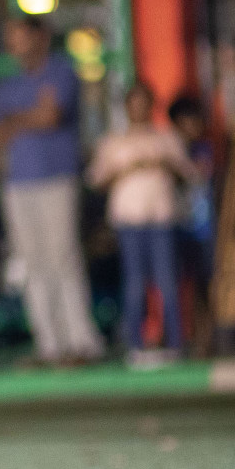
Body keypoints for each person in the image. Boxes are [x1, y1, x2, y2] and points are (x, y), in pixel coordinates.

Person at [0, 14, 104, 365]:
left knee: (63, 257)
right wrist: (27, 117)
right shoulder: (8, 85)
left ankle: (82, 343)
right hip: (17, 183)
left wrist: (16, 121)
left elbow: (50, 116)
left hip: (57, 178)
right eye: (11, 38)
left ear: (40, 37)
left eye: (20, 36)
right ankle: (49, 345)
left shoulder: (60, 70)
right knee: (32, 263)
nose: (14, 44)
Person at [88, 83, 196, 365]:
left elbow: (189, 175)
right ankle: (135, 345)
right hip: (129, 221)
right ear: (126, 107)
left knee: (167, 282)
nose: (139, 108)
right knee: (134, 283)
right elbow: (96, 181)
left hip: (162, 218)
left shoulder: (166, 139)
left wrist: (164, 164)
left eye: (144, 102)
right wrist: (126, 169)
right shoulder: (114, 142)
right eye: (133, 103)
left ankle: (175, 343)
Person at [168, 94, 216, 351]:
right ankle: (180, 337)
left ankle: (206, 338)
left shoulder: (205, 149)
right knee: (176, 283)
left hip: (203, 228)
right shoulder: (171, 149)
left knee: (204, 284)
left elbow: (200, 177)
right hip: (177, 227)